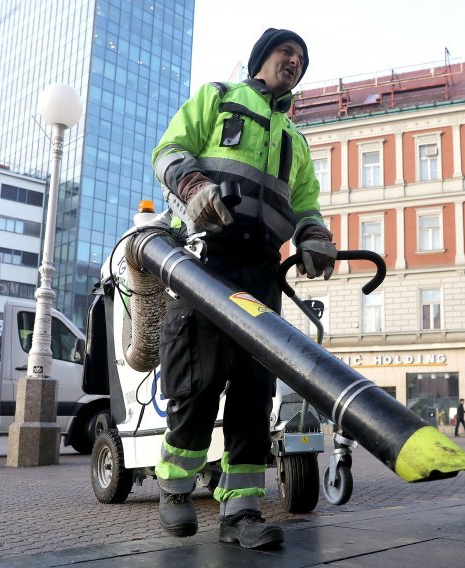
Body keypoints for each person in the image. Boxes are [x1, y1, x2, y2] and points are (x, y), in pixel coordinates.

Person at [151, 28, 335, 550]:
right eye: (286, 54)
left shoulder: (295, 140)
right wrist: (192, 188)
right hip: (208, 261)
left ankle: (242, 512)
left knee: (255, 393)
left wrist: (315, 236)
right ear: (262, 59)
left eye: (301, 59)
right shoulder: (218, 98)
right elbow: (170, 150)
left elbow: (305, 204)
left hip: (261, 273)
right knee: (199, 380)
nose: (294, 63)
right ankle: (175, 487)